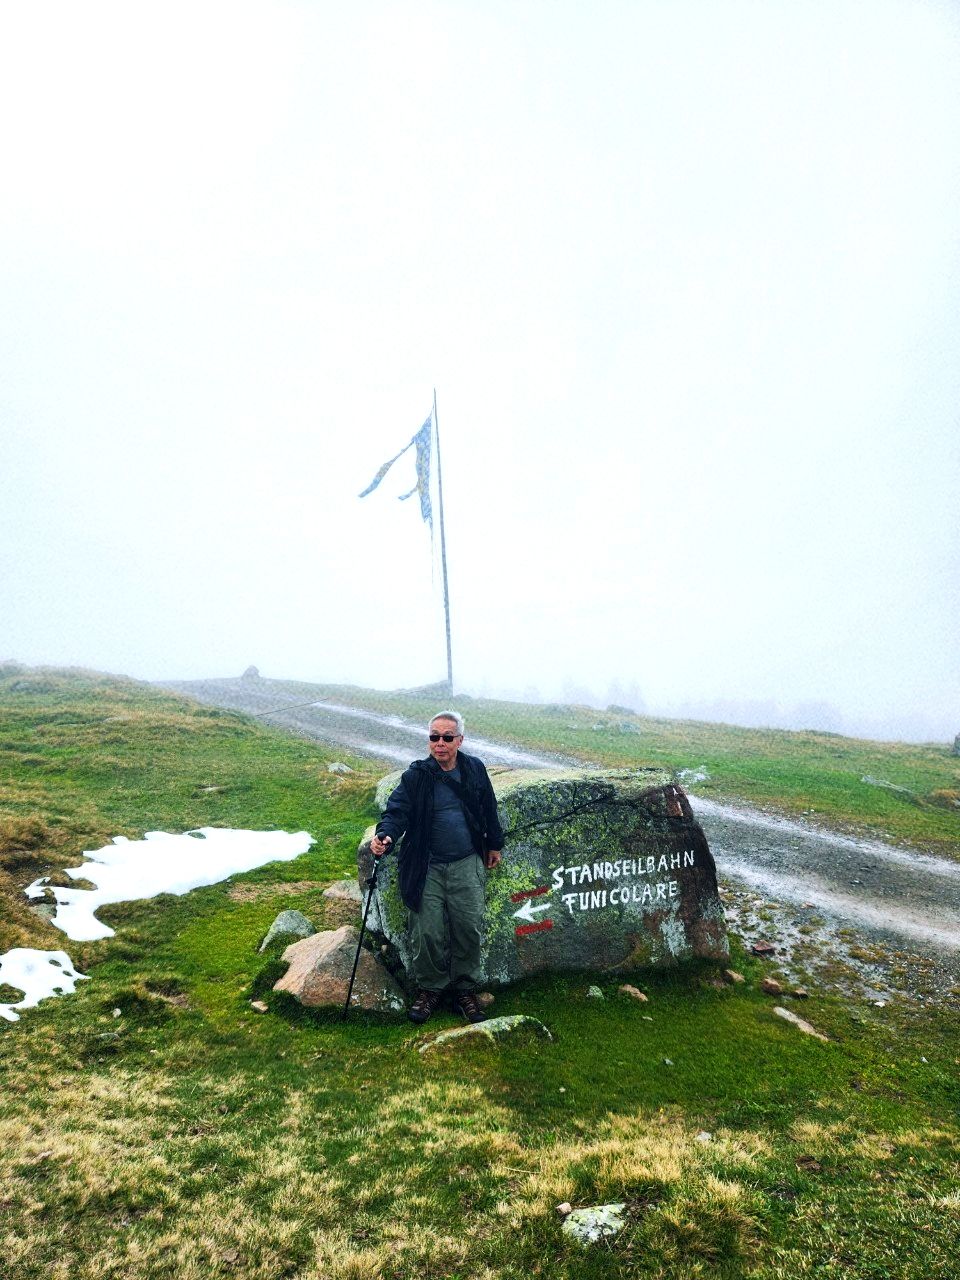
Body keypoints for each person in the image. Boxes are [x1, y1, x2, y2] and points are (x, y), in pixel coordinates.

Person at [370, 711, 504, 1025]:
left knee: (468, 928)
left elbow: (488, 807)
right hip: (426, 865)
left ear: (460, 740)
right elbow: (397, 811)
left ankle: (465, 991)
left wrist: (494, 844)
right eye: (434, 737)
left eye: (447, 737)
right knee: (426, 931)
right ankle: (430, 989)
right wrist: (385, 835)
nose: (439, 743)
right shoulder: (416, 776)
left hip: (466, 861)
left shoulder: (474, 769)